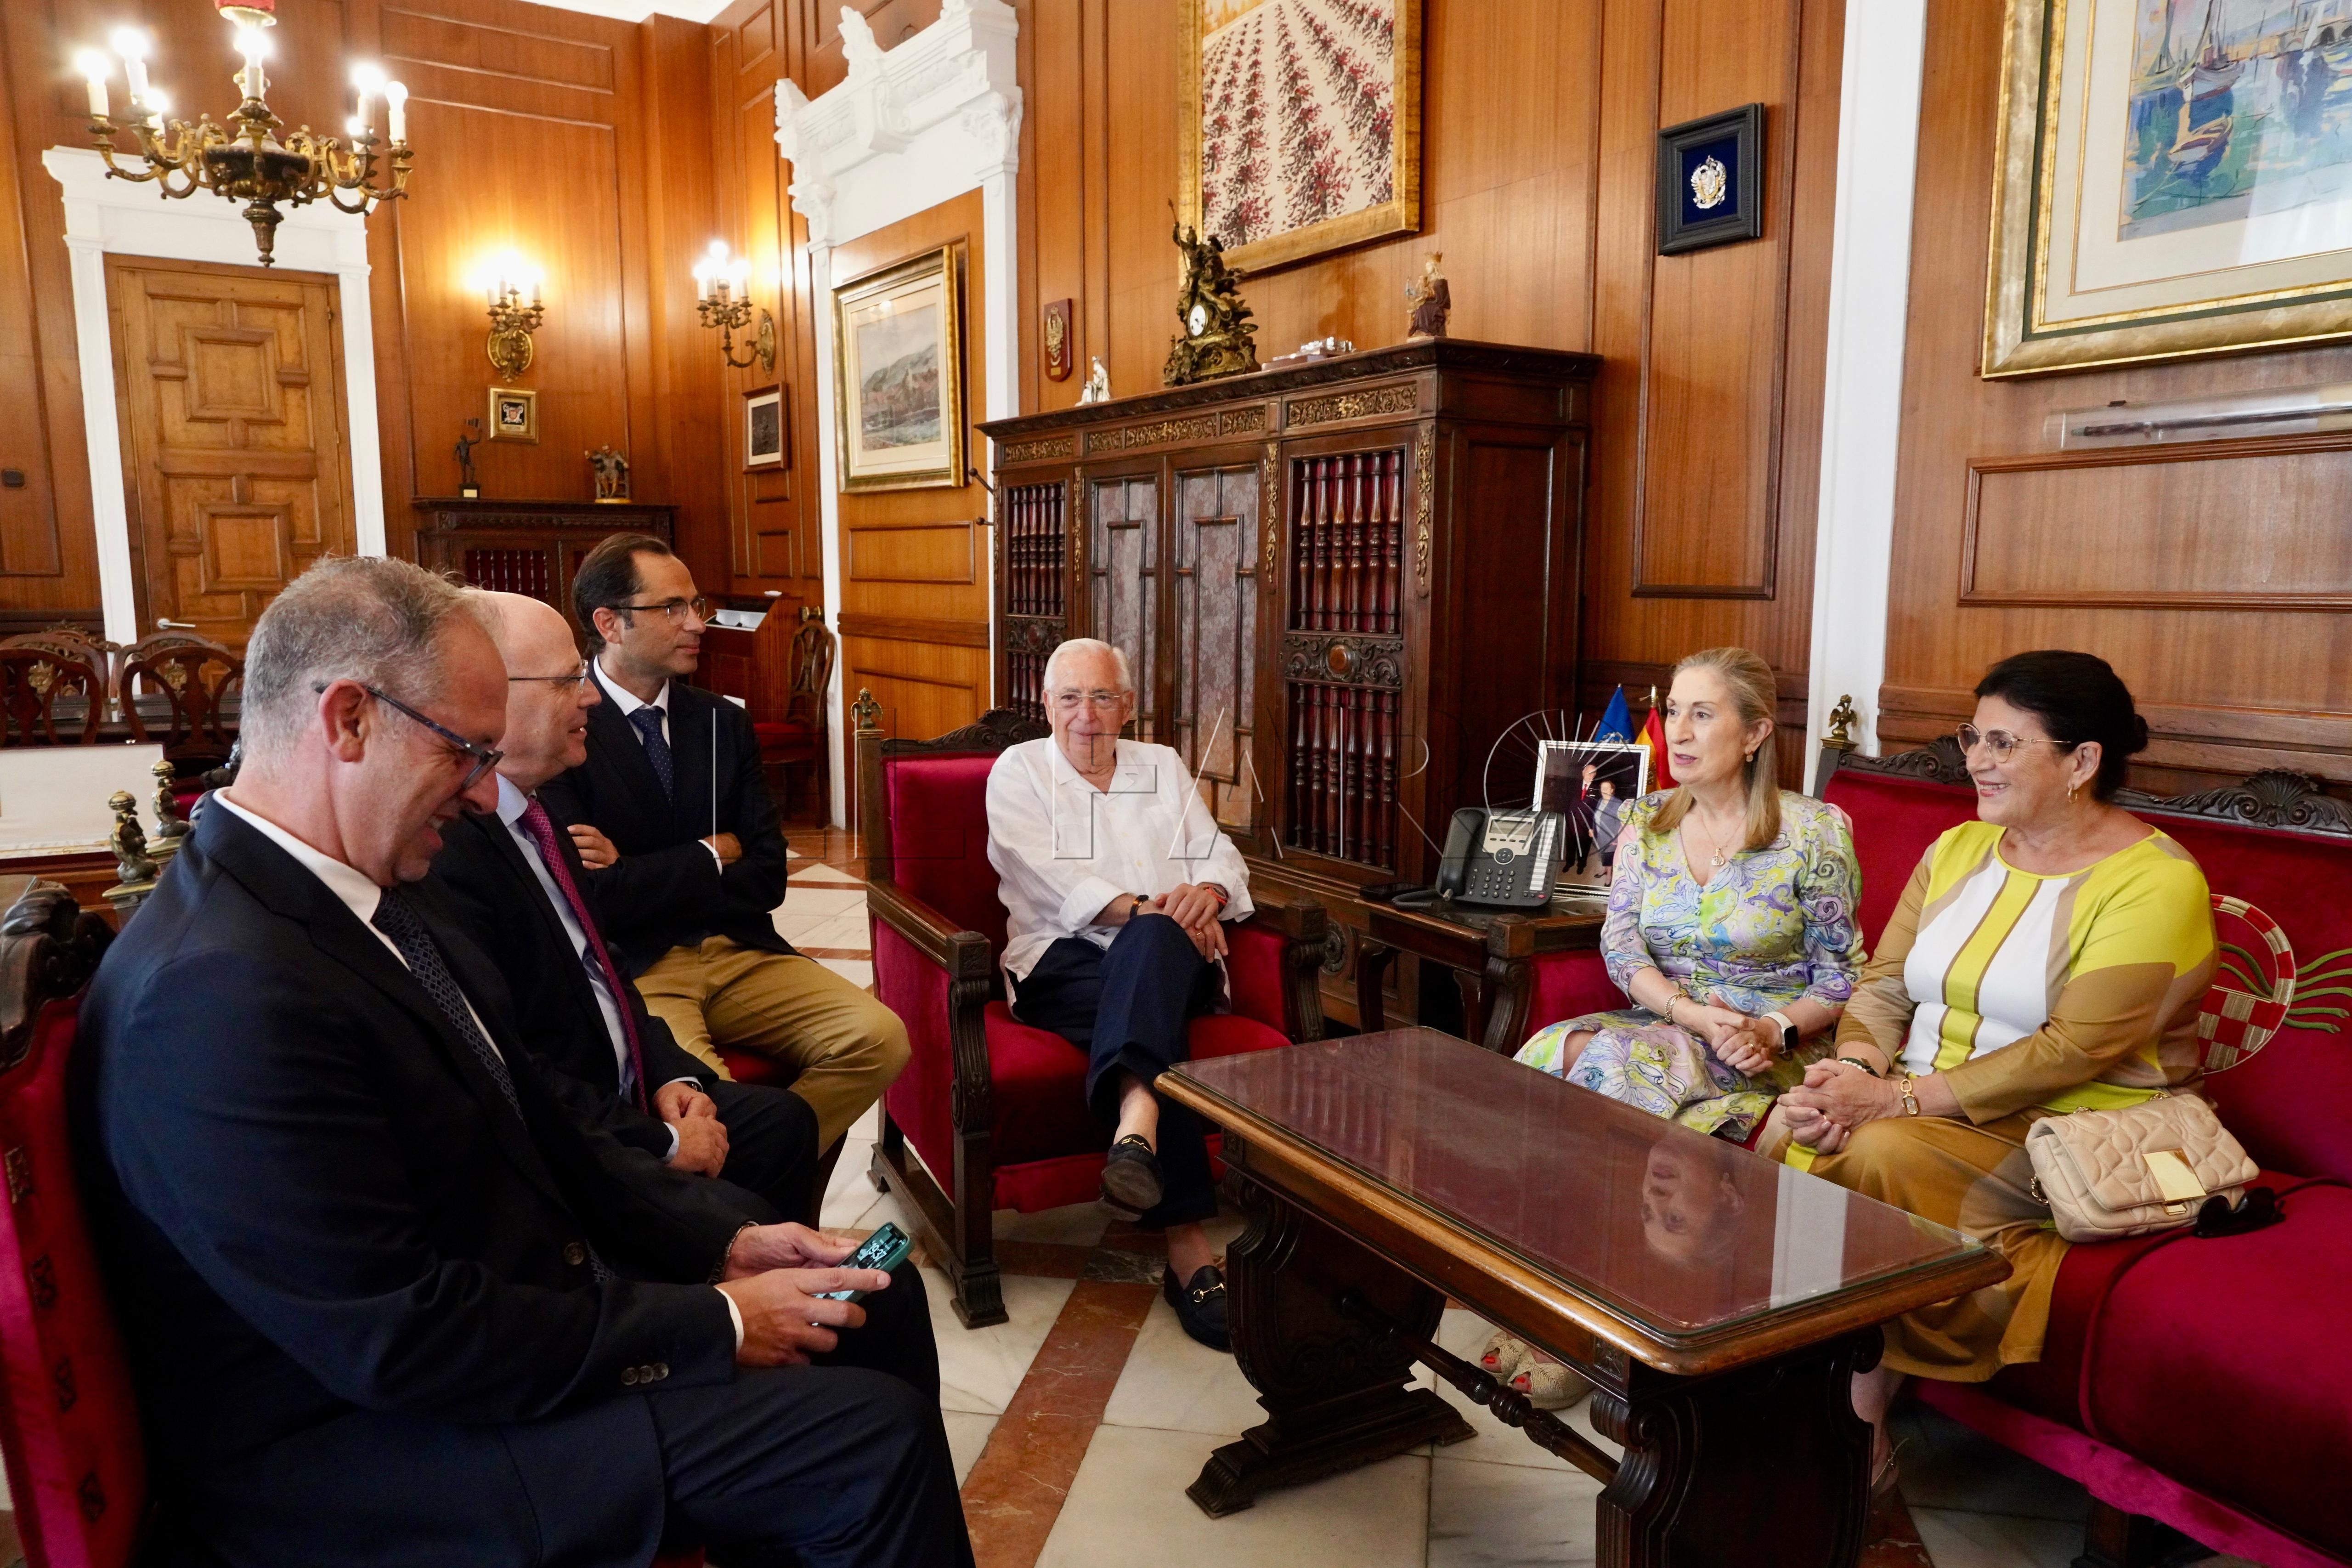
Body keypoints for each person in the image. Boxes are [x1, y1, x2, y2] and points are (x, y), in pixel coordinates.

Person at [79, 556, 971, 1568]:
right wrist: (712, 1323)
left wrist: (718, 1252)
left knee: (871, 1301)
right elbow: (402, 1339)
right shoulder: (214, 993)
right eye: (465, 752)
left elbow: (537, 1125)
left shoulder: (376, 892)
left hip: (494, 1325)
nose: (481, 792)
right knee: (865, 1445)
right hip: (371, 1456)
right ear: (348, 722)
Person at [1772, 650, 2214, 1499]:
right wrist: (1854, 1071)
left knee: (1877, 1157)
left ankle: (1856, 1436)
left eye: (2007, 744)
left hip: (2074, 1129)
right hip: (1921, 1101)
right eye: (1975, 737)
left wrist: (1891, 1099)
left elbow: (2075, 1048)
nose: (1976, 759)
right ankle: (1776, 1389)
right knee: (1796, 1126)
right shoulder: (1958, 849)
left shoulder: (2156, 881)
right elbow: (1885, 983)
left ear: (2082, 761)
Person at [1494, 647, 1863, 1406]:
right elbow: (1621, 946)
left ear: (1756, 733)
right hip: (1669, 1019)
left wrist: (1771, 1027)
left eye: (1703, 713)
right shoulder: (1643, 822)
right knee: (1548, 1053)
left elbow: (1842, 975)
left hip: (1767, 1045)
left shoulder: (1816, 831)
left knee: (1618, 1068)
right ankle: (1548, 1288)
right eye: (1673, 712)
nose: (1679, 731)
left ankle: (1596, 1324)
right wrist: (1690, 1013)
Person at [428, 591, 824, 1226]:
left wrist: (672, 1078)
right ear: (488, 697)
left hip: (639, 1078)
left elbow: (603, 966)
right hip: (578, 1135)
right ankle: (727, 1282)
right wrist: (664, 1144)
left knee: (784, 1122)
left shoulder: (537, 816)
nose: (589, 696)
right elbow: (518, 1068)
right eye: (567, 681)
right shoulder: (450, 848)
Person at [543, 532, 909, 1153]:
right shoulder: (564, 726)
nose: (697, 624)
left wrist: (637, 868)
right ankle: (752, 1179)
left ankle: (756, 1164)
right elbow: (595, 897)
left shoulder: (722, 721)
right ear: (610, 622)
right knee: (701, 1094)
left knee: (882, 1038)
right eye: (673, 608)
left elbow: (767, 875)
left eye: (698, 604)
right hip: (642, 965)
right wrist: (712, 853)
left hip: (741, 949)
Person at [985, 637, 1253, 1351]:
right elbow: (1051, 884)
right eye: (1069, 698)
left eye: (1102, 697)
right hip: (1061, 966)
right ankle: (1188, 1248)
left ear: (1127, 705)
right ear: (1045, 704)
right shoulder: (1017, 772)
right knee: (1153, 940)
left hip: (1176, 963)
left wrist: (1210, 891)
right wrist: (1159, 913)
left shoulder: (1162, 766)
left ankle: (1137, 1124)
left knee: (1156, 943)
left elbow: (1219, 851)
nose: (1086, 715)